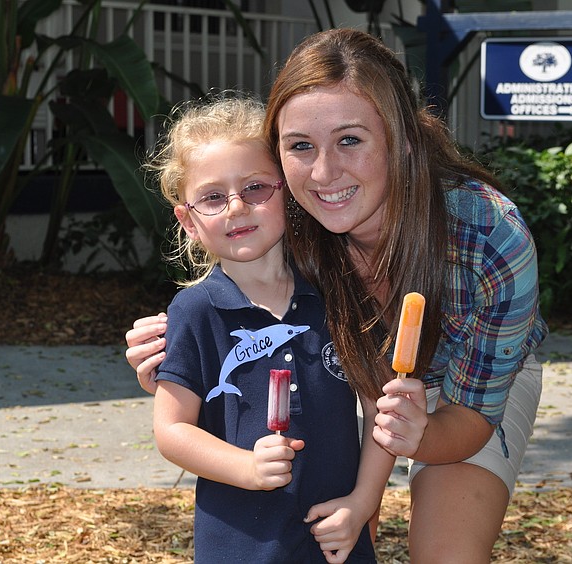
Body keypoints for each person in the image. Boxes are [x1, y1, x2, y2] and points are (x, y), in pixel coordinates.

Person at [128, 29, 547, 563]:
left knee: (448, 556)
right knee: (338, 539)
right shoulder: (282, 213)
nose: (324, 173)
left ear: (402, 139)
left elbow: (468, 421)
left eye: (350, 140)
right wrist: (180, 363)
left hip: (465, 394)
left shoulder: (491, 237)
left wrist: (411, 438)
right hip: (343, 385)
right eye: (301, 146)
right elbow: (227, 315)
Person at [140, 94, 393, 563]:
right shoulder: (194, 311)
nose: (236, 208)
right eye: (213, 197)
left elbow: (381, 407)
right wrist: (246, 467)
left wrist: (362, 503)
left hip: (333, 538)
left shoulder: (337, 293)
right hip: (239, 546)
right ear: (188, 221)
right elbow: (172, 431)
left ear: (286, 191)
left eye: (255, 188)